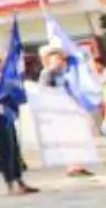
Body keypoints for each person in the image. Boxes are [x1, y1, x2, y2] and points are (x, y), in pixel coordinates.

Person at [0, 58, 37, 196]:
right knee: (4, 150)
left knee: (14, 148)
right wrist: (5, 89)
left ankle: (19, 180)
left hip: (6, 113)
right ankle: (10, 183)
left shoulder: (2, 77)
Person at [38, 44, 94, 177]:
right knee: (67, 139)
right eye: (55, 58)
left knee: (77, 136)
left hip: (70, 107)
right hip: (58, 110)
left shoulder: (66, 73)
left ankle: (79, 164)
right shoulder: (47, 74)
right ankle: (72, 166)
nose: (58, 61)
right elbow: (44, 92)